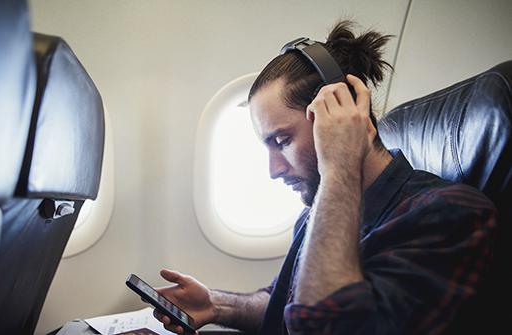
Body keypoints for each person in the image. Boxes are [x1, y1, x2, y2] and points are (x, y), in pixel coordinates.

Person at [152, 20, 497, 334]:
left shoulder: (449, 216)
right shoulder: (319, 212)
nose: (273, 170)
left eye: (282, 141)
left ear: (340, 116)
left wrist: (339, 166)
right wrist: (216, 305)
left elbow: (322, 325)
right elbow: (283, 303)